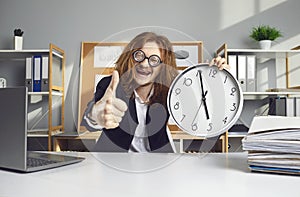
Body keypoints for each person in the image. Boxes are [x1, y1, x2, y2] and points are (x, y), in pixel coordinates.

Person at [81, 32, 228, 153]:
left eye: (154, 60)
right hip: (113, 160)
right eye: (139, 56)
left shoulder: (171, 91)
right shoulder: (110, 85)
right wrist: (95, 116)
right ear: (130, 58)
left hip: (158, 160)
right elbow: (89, 121)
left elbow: (208, 124)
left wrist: (218, 83)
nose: (144, 64)